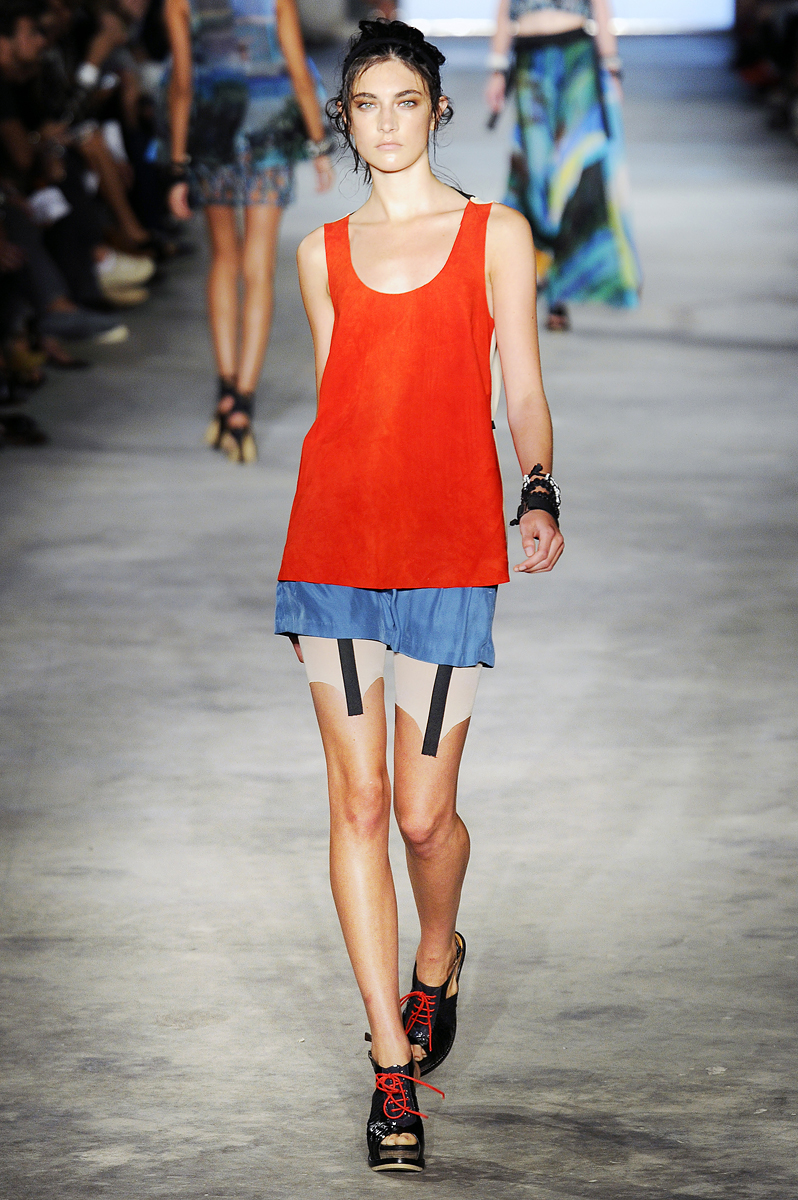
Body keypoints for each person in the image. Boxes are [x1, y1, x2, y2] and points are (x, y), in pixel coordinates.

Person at [274, 18, 564, 1172]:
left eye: (406, 101)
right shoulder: (321, 254)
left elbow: (521, 385)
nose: (386, 122)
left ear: (438, 110)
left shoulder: (496, 234)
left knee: (421, 817)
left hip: (449, 547)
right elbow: (338, 406)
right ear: (344, 121)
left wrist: (536, 488)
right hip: (334, 548)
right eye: (366, 104)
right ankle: (391, 1071)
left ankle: (436, 958)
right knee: (355, 805)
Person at [164, 0, 335, 464]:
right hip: (270, 134)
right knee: (258, 268)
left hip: (213, 131)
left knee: (224, 258)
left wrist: (176, 165)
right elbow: (297, 69)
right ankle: (243, 404)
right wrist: (318, 144)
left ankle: (225, 390)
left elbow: (182, 84)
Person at [486, 0, 641, 330]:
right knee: (535, 173)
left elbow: (600, 7)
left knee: (570, 170)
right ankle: (537, 273)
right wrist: (497, 69)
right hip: (529, 59)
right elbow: (503, 10)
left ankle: (558, 290)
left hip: (576, 57)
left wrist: (612, 67)